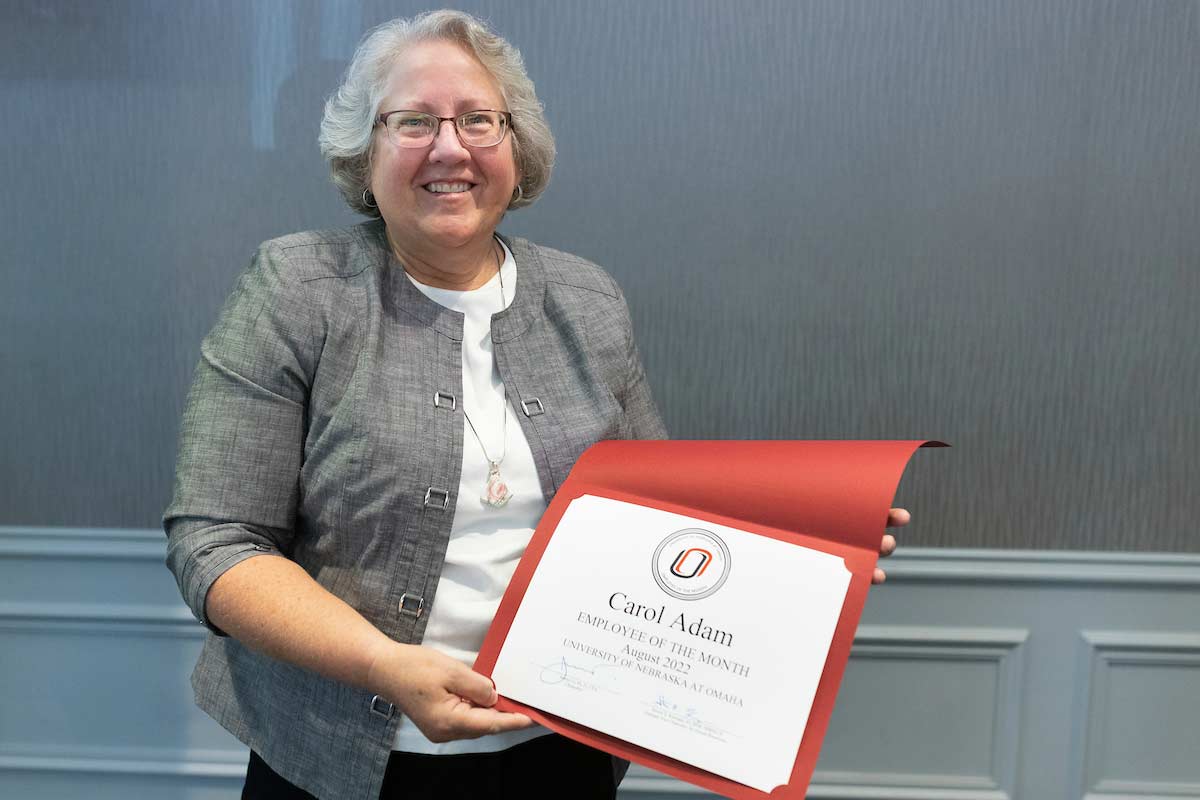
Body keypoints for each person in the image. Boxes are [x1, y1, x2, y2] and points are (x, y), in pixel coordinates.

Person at [164, 10, 908, 800]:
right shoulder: (294, 289)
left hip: (559, 750)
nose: (449, 147)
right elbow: (217, 541)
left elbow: (660, 514)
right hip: (335, 758)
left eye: (478, 119)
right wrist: (384, 664)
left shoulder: (587, 298)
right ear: (365, 154)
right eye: (413, 120)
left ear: (516, 150)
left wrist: (813, 537)